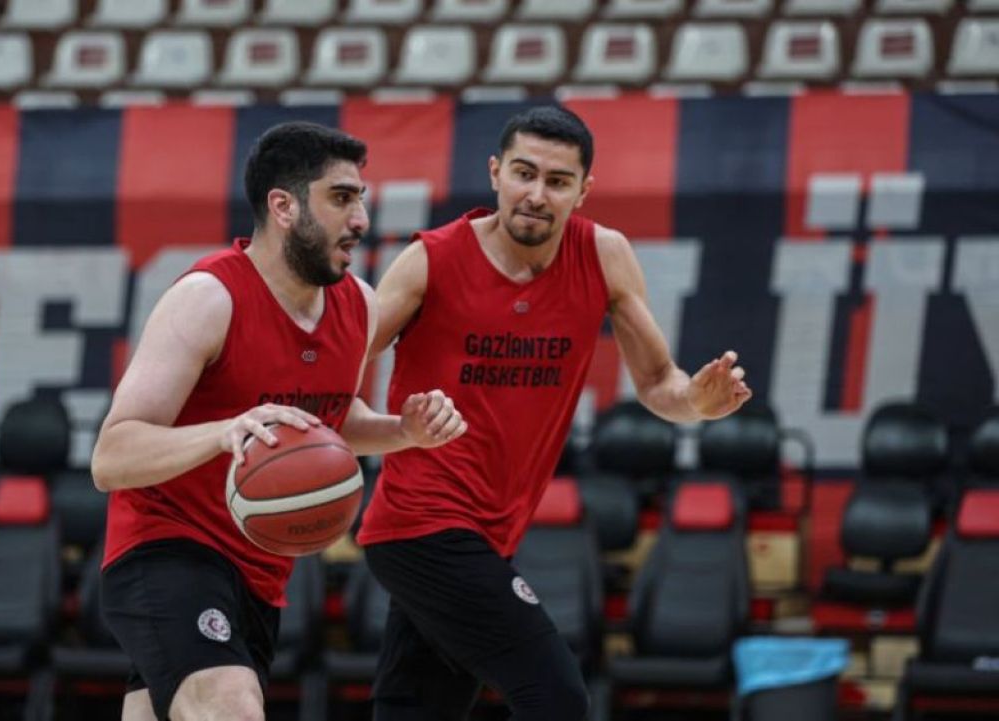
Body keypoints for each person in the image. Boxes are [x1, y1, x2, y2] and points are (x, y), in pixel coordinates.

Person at [356, 105, 753, 721]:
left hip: (492, 534)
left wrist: (697, 403)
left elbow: (657, 382)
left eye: (558, 181)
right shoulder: (431, 259)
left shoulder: (603, 255)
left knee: (416, 709)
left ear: (583, 190)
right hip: (420, 526)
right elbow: (338, 365)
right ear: (495, 173)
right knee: (556, 695)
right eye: (524, 173)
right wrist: (368, 433)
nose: (536, 194)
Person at [90, 121, 466, 721]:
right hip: (167, 549)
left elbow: (326, 424)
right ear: (284, 206)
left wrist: (403, 431)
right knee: (232, 705)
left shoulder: (360, 305)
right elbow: (111, 458)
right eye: (342, 198)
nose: (362, 219)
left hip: (259, 569)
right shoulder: (208, 299)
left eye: (361, 198)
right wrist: (222, 431)